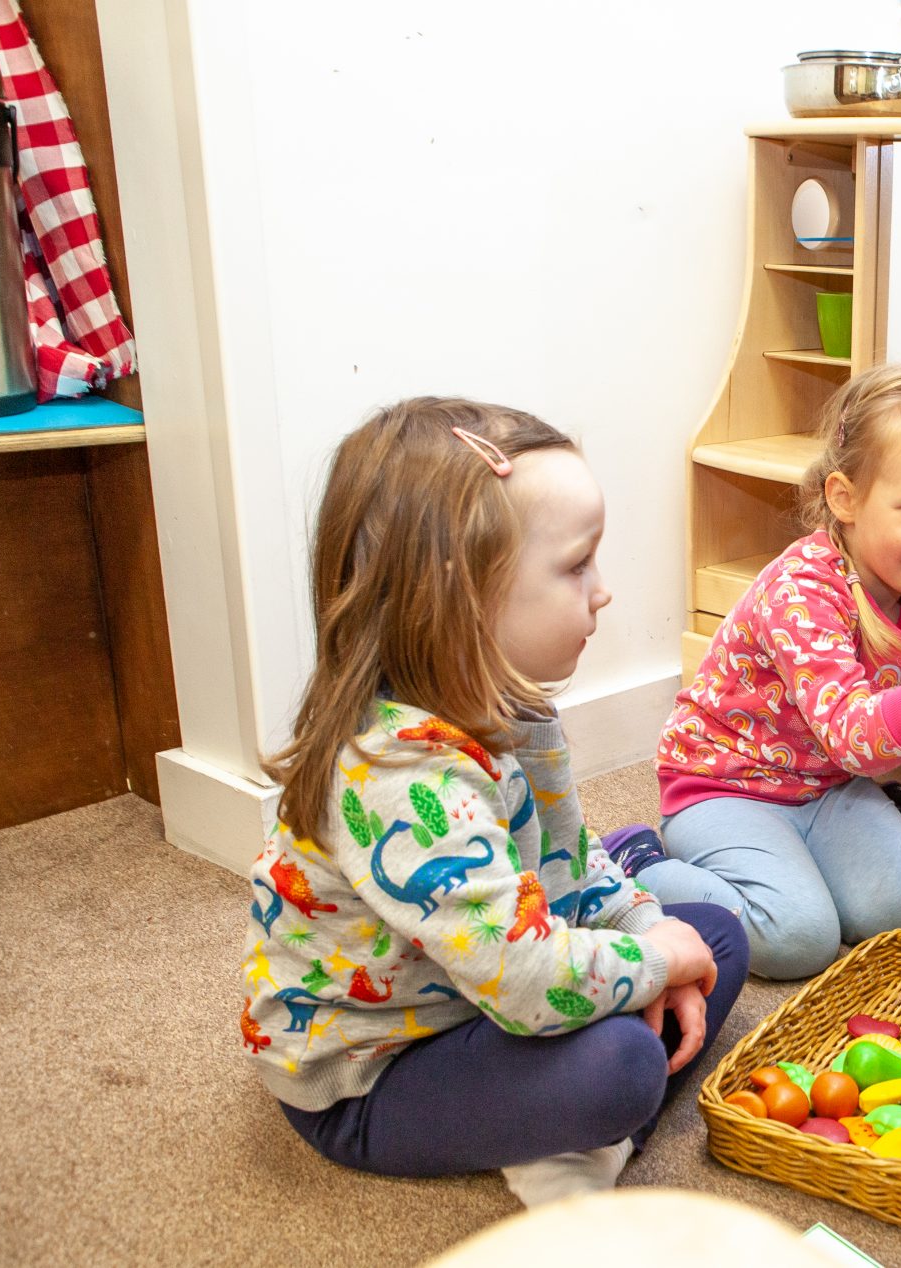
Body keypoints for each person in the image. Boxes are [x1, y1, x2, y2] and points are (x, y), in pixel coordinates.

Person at [241, 398, 748, 1207]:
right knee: (625, 1066)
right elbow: (523, 977)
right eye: (577, 566)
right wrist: (656, 964)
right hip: (375, 1073)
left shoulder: (515, 704)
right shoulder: (402, 776)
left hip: (484, 988)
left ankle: (565, 1127)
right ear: (463, 596)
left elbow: (569, 863)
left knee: (714, 933)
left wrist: (651, 930)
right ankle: (570, 1146)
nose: (604, 592)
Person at [613, 364, 901, 979]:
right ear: (845, 499)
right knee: (799, 938)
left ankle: (834, 852)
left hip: (828, 785)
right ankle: (636, 867)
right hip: (727, 787)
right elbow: (856, 739)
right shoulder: (800, 591)